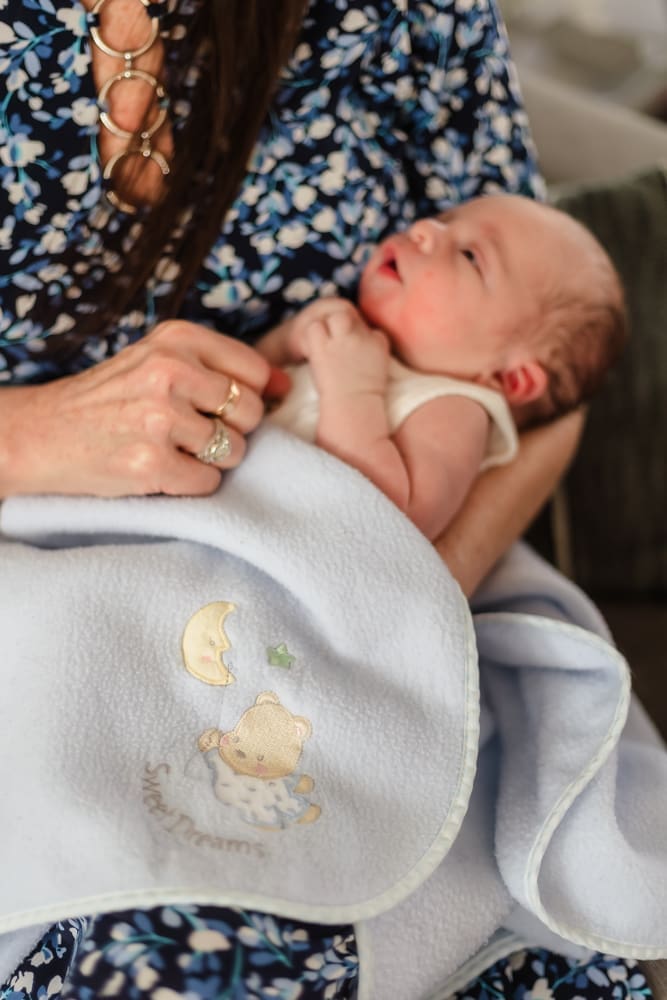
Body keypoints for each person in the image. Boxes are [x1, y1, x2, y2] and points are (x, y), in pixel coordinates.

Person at [0, 1, 651, 998]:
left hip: (330, 605)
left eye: (459, 248)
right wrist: (34, 433)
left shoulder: (451, 394)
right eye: (435, 232)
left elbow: (552, 386)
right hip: (69, 550)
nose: (428, 236)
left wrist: (399, 599)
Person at [263, 194, 627, 538]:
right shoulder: (354, 337)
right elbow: (248, 383)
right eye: (445, 220)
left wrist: (353, 392)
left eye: (470, 256)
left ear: (510, 377)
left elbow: (390, 524)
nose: (423, 227)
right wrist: (290, 339)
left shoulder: (456, 407)